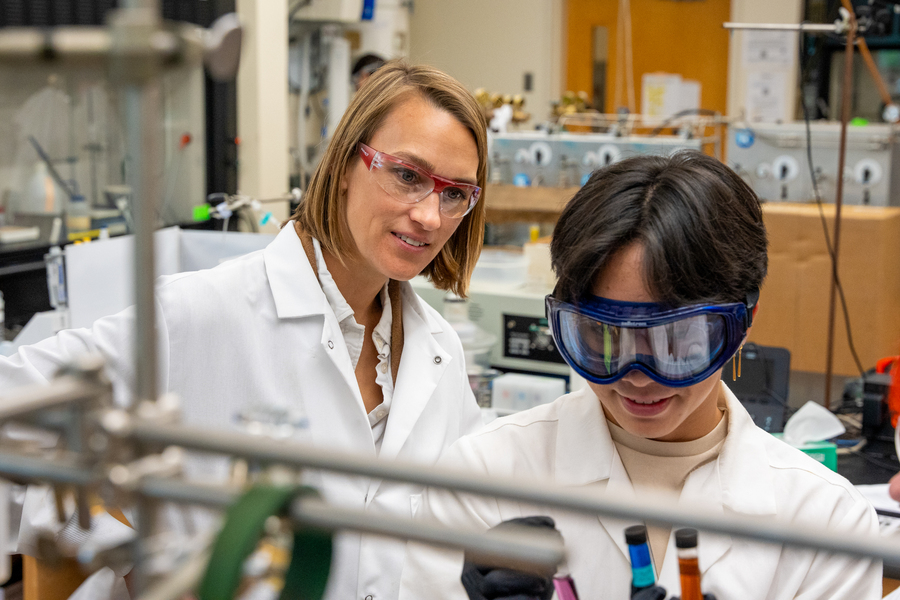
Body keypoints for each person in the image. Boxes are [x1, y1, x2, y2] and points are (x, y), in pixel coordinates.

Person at [1, 60, 488, 600]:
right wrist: (139, 559)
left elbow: (459, 520)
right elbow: (13, 422)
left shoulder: (438, 350)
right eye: (407, 175)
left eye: (455, 194)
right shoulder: (199, 314)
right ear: (347, 164)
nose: (429, 215)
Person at [398, 152, 882, 600]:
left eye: (675, 343)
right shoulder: (485, 477)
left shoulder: (827, 522)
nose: (636, 375)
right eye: (602, 338)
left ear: (742, 322)